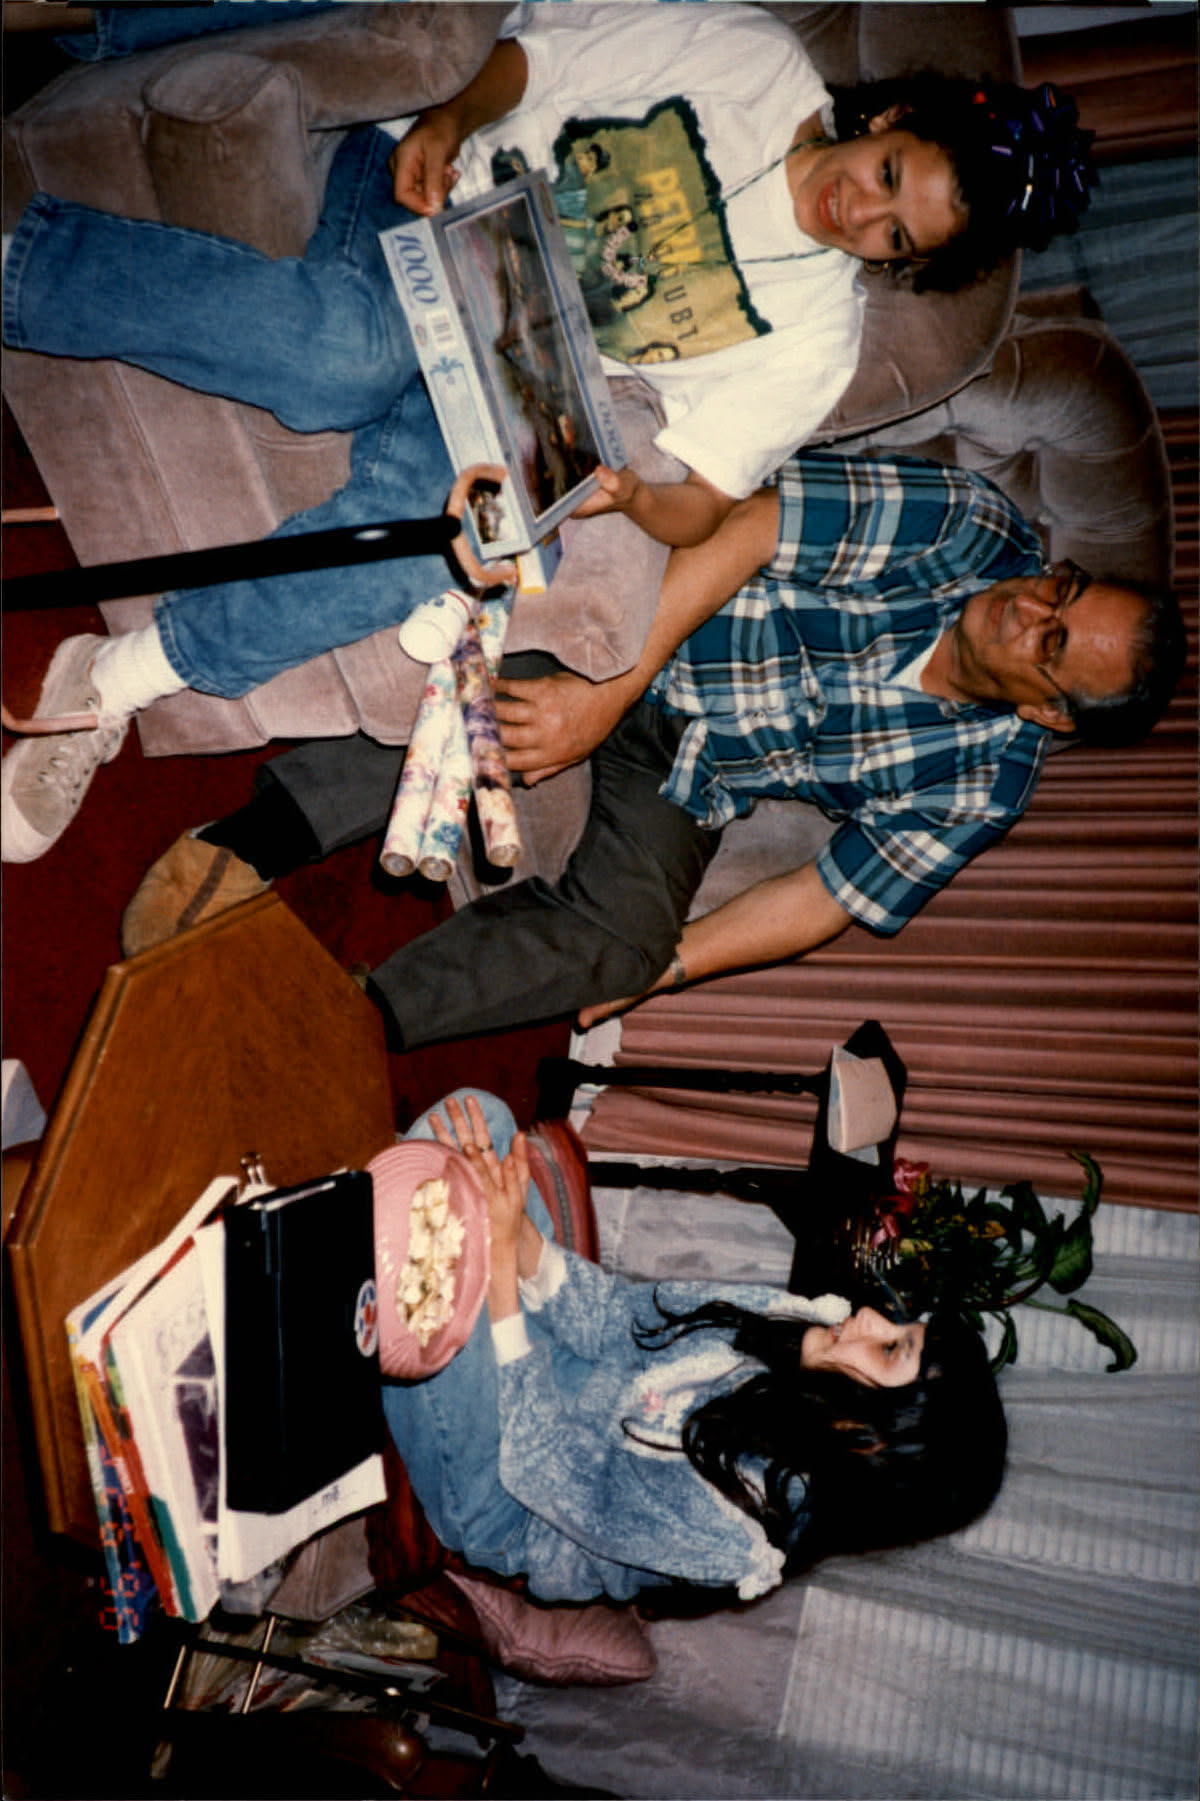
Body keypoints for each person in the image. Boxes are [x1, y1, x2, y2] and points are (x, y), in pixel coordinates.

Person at [0, 1, 1095, 859]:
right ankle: (18, 268)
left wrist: (636, 496)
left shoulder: (815, 340)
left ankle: (117, 679)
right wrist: (447, 122)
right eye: (888, 176)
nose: (859, 213)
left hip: (509, 364)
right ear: (890, 122)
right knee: (347, 358)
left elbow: (706, 504)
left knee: (450, 539)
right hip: (431, 200)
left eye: (894, 235)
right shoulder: (755, 64)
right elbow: (533, 61)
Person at [113, 449, 1185, 1042]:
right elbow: (750, 527)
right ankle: (250, 842)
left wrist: (663, 972)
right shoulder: (968, 525)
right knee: (505, 703)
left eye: (1052, 643)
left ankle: (350, 1022)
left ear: (1051, 715)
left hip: (696, 770)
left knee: (628, 939)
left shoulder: (987, 785)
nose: (1030, 605)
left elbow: (829, 898)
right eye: (1064, 587)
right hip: (647, 618)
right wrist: (605, 693)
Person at [385, 1087, 1007, 1603]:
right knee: (481, 1121)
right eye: (901, 1325)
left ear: (872, 1442)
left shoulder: (741, 1532)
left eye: (891, 1349)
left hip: (513, 1494)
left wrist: (497, 1275)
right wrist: (517, 1236)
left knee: (441, 1262)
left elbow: (557, 1476)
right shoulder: (804, 1328)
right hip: (561, 1373)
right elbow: (620, 1317)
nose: (869, 1316)